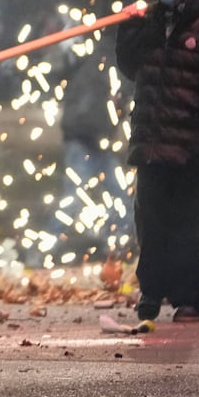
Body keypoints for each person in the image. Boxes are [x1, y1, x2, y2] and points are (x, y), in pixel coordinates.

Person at [114, 0, 199, 323]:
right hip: (152, 144)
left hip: (193, 150)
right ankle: (151, 292)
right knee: (150, 221)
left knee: (190, 226)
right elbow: (132, 69)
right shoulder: (151, 20)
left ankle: (190, 298)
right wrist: (129, 32)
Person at [49, 45, 129, 259]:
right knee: (75, 194)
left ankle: (115, 245)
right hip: (82, 138)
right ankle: (50, 245)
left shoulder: (104, 63)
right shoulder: (105, 66)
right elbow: (93, 107)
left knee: (119, 194)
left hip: (97, 140)